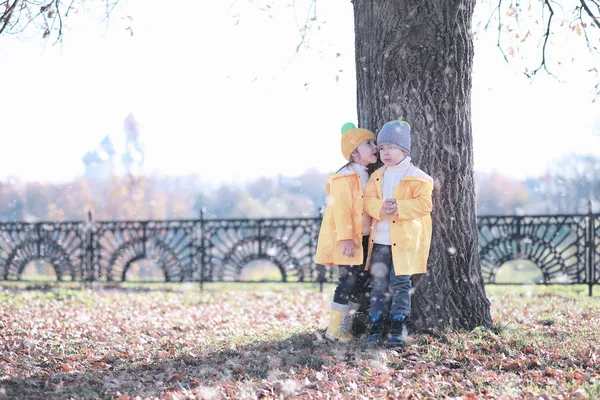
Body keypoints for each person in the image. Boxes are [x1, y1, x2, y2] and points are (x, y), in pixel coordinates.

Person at [363, 117, 434, 347]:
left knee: (401, 283)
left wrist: (400, 207)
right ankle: (375, 323)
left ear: (404, 150)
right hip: (382, 240)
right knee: (378, 284)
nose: (385, 152)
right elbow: (368, 201)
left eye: (391, 147)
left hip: (404, 242)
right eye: (382, 148)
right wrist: (380, 207)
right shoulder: (377, 176)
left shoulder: (418, 177)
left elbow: (425, 205)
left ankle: (398, 323)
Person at [315, 122, 378, 343]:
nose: (375, 147)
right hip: (349, 240)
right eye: (368, 144)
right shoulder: (344, 177)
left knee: (359, 282)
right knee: (347, 282)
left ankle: (345, 328)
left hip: (363, 239)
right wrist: (346, 238)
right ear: (354, 153)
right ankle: (334, 329)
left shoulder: (367, 175)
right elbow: (341, 211)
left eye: (373, 142)